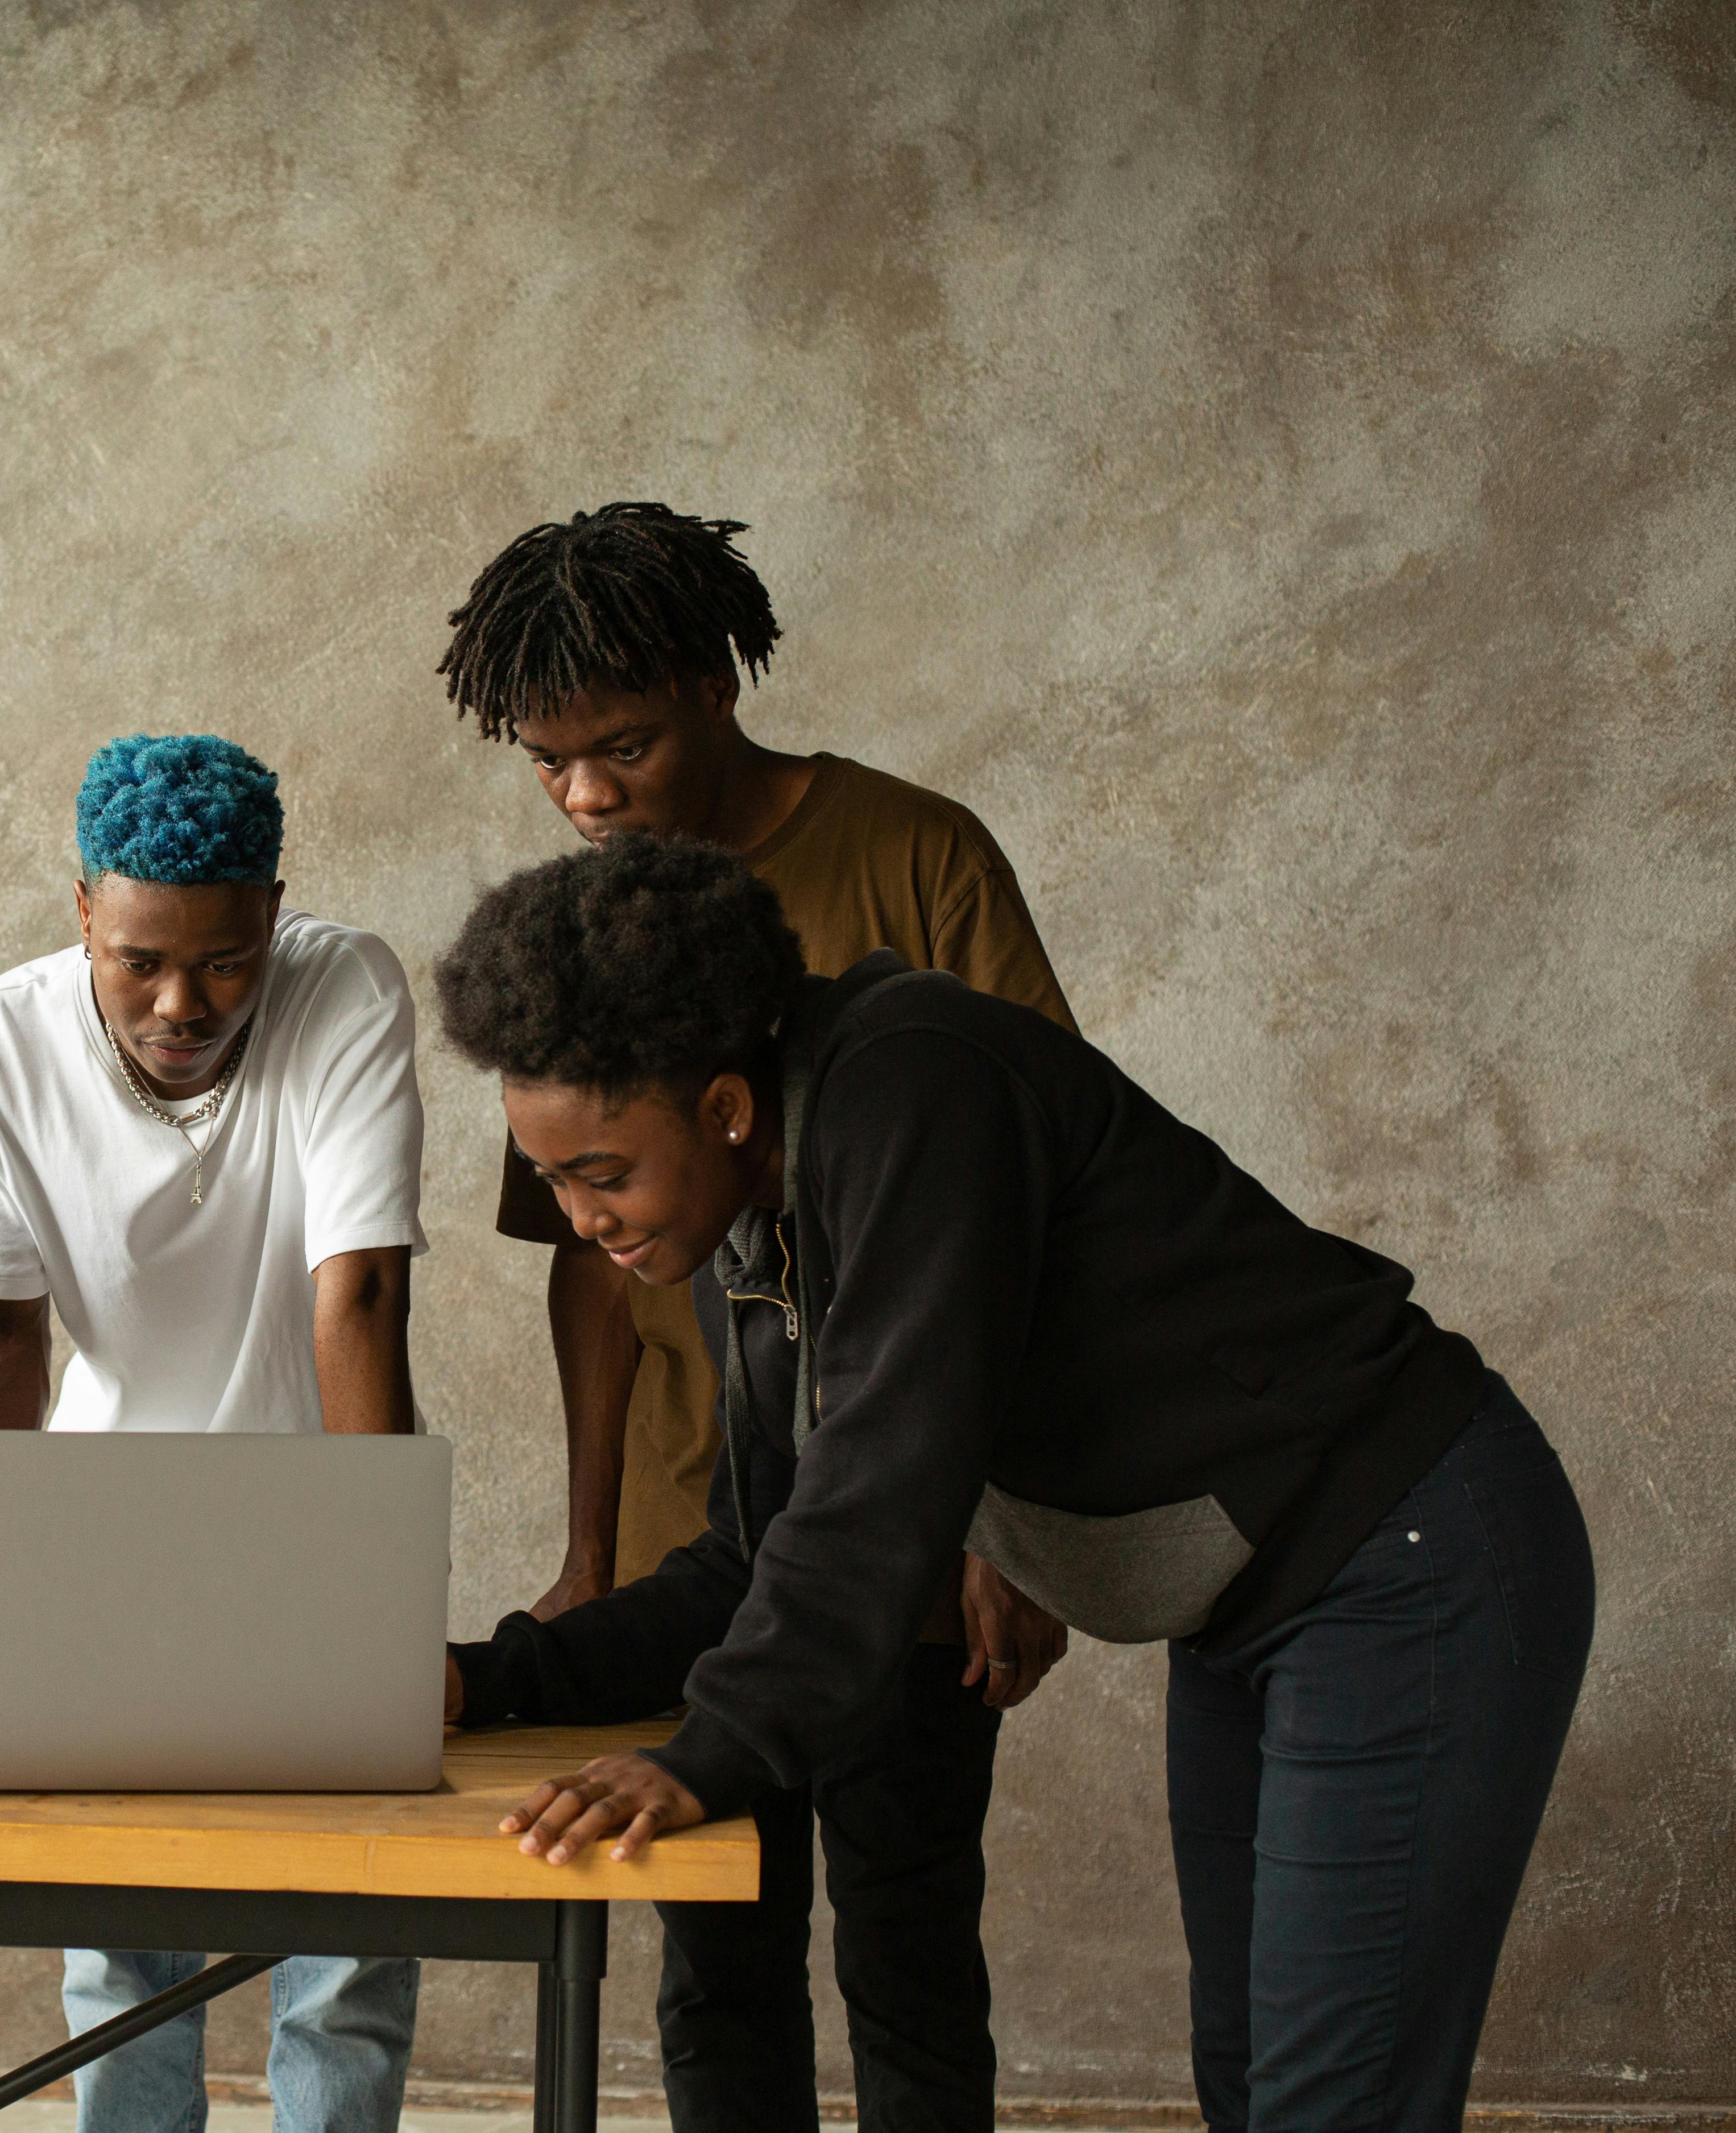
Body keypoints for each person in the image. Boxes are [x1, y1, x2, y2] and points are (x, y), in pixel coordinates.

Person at [435, 836, 1595, 2133]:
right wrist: (487, 1680)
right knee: (1256, 2084)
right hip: (1249, 1612)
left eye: (601, 1172)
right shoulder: (745, 1244)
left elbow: (885, 1476)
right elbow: (752, 1561)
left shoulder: (910, 1077)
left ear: (723, 1107)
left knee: (1333, 2106)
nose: (581, 1216)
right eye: (549, 1177)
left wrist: (715, 1751)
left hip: (1403, 1553)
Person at [438, 501, 1074, 2133]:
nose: (585, 797)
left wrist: (1004, 1528)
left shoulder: (911, 858)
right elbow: (578, 1264)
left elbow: (1030, 1214)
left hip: (906, 1512)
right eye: (546, 764)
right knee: (712, 1955)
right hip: (702, 1523)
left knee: (907, 1942)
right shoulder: (575, 934)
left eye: (623, 747)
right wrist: (591, 1552)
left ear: (719, 684)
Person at [0, 734, 426, 2133]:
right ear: (81, 908)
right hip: (103, 1520)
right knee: (123, 1944)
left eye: (222, 960)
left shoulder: (347, 986)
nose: (180, 1002)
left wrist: (366, 1580)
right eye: (139, 958)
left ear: (274, 913)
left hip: (318, 1500)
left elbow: (363, 1291)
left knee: (343, 1932)